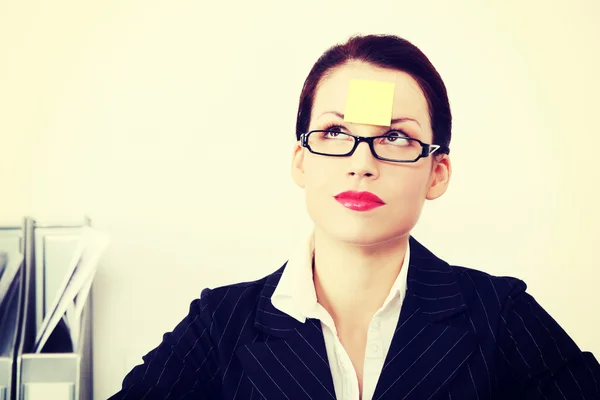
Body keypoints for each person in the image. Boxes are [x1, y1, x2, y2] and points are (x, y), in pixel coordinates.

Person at [109, 34, 600, 399]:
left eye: (395, 137)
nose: (361, 163)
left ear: (438, 172)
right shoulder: (220, 324)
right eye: (335, 132)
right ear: (300, 160)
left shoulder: (501, 313)